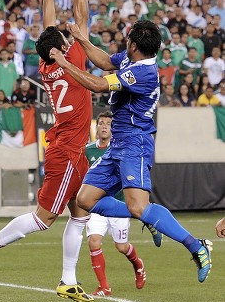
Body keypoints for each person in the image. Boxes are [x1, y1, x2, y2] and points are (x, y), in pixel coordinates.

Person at [0, 0, 94, 302]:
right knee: (43, 219)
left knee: (80, 214)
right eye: (66, 42)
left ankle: (68, 279)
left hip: (72, 151)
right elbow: (81, 20)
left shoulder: (49, 65)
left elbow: (50, 28)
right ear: (61, 50)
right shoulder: (71, 59)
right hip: (67, 152)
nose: (71, 40)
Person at [50, 19, 213, 284]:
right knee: (85, 200)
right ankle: (150, 216)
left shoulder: (144, 73)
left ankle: (197, 247)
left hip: (135, 144)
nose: (125, 42)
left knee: (138, 206)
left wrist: (65, 63)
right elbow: (104, 61)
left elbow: (99, 85)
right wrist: (81, 38)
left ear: (134, 45)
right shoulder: (132, 59)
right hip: (119, 143)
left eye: (128, 39)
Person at [86, 111, 147, 296]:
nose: (104, 126)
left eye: (108, 124)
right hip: (97, 205)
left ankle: (138, 264)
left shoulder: (120, 150)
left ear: (114, 129)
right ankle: (104, 286)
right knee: (94, 242)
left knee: (121, 247)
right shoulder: (88, 150)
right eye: (101, 123)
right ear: (96, 127)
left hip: (118, 204)